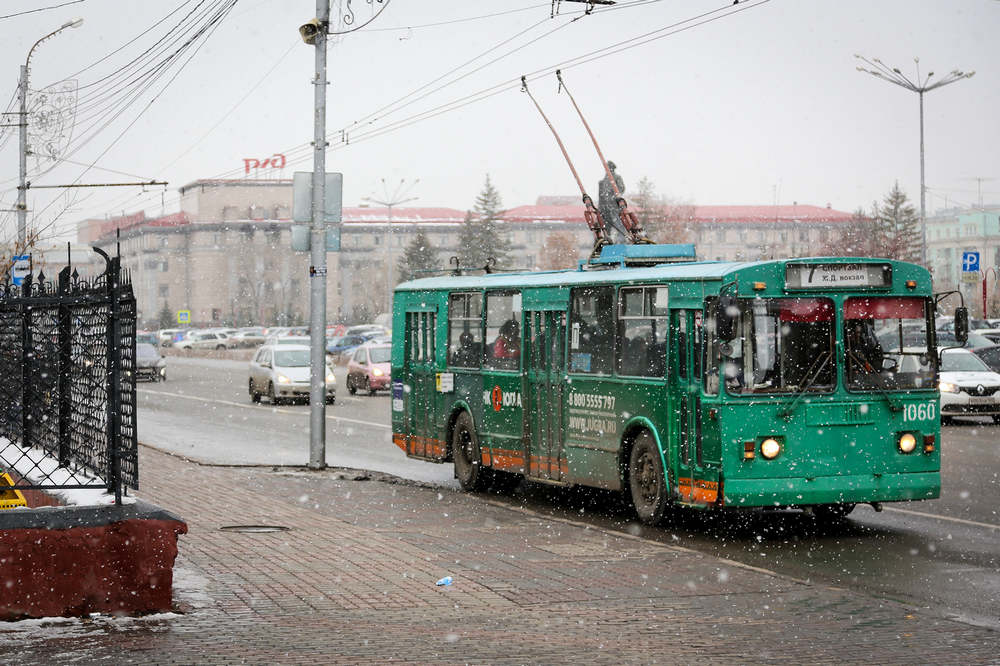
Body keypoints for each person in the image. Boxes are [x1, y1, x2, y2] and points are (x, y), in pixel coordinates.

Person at [597, 161, 627, 242]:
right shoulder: (602, 182)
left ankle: (622, 240)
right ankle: (607, 240)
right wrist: (600, 209)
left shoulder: (617, 178)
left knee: (619, 225)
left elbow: (621, 188)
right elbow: (601, 196)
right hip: (604, 208)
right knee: (606, 227)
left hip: (614, 207)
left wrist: (613, 196)